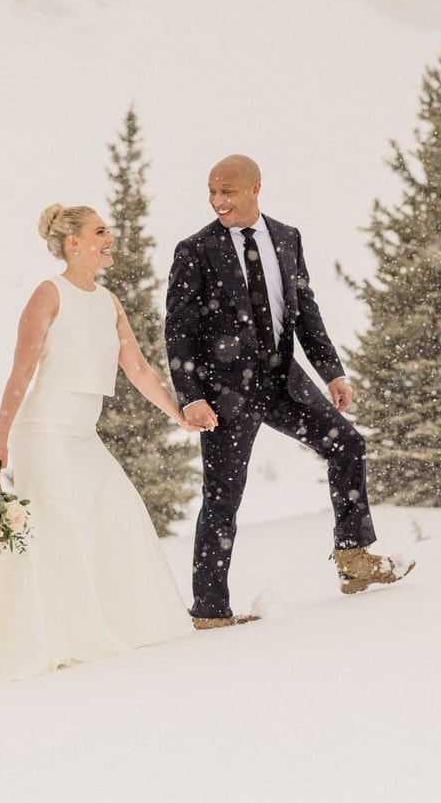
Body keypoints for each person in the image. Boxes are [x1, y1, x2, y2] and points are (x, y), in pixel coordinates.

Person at [0, 204, 195, 698]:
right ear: (72, 243)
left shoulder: (110, 301)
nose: (110, 239)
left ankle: (129, 625)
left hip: (84, 436)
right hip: (43, 433)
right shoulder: (48, 294)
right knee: (58, 533)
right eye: (100, 232)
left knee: (120, 513)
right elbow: (21, 371)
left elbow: (139, 369)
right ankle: (56, 637)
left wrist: (178, 413)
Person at [165, 154, 413, 629]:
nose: (218, 201)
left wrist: (331, 372)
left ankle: (354, 558)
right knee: (223, 497)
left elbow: (305, 311)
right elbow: (179, 330)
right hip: (224, 395)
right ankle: (211, 610)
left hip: (284, 382)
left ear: (256, 189)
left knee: (348, 446)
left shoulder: (286, 237)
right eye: (213, 192)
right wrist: (191, 395)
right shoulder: (195, 249)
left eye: (228, 191)